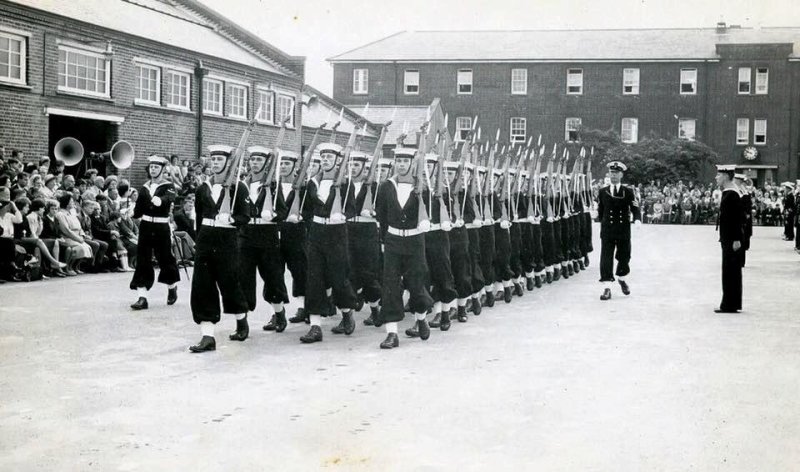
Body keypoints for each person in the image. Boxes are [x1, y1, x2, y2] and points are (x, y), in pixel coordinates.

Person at [189, 145, 251, 353]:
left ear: (227, 162)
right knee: (202, 286)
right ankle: (208, 336)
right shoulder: (203, 188)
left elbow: (246, 216)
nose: (215, 163)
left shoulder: (238, 187)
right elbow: (198, 217)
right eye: (212, 159)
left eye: (219, 159)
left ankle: (241, 320)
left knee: (229, 283)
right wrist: (198, 240)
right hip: (206, 239)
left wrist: (232, 219)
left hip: (227, 239)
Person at [298, 142, 359, 344]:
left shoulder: (346, 182)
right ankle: (315, 326)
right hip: (317, 234)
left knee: (338, 277)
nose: (325, 161)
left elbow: (352, 209)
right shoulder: (312, 183)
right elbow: (306, 209)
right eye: (323, 158)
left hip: (337, 233)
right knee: (314, 278)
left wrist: (341, 216)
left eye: (329, 158)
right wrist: (310, 223)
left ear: (337, 160)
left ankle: (347, 313)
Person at [374, 145, 434, 349]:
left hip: (415, 242)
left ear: (411, 164)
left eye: (405, 162)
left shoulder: (421, 187)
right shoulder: (386, 186)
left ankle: (421, 317)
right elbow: (381, 215)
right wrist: (383, 241)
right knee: (390, 286)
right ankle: (392, 333)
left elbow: (428, 213)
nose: (401, 165)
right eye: (398, 161)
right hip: (392, 241)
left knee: (416, 284)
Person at [239, 146, 290, 335]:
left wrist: (274, 216)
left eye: (259, 160)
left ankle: (279, 313)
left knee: (272, 277)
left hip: (267, 235)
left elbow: (283, 211)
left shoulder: (273, 186)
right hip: (245, 235)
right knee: (243, 278)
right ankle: (242, 324)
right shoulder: (241, 185)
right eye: (252, 160)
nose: (255, 163)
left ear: (266, 164)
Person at [129, 155, 180, 310]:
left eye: (156, 167)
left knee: (165, 259)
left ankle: (171, 287)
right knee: (143, 259)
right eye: (151, 167)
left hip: (161, 227)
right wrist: (131, 212)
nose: (153, 170)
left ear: (163, 169)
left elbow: (171, 196)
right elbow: (138, 210)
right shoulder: (144, 187)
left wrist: (162, 200)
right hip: (146, 226)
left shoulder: (168, 185)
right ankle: (142, 297)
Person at [597, 161, 641, 300]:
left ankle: (621, 279)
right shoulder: (602, 191)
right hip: (608, 230)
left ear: (621, 175)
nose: (613, 176)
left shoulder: (627, 191)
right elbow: (601, 210)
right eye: (611, 173)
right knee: (606, 258)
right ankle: (606, 287)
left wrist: (637, 219)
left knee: (624, 257)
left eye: (616, 173)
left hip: (623, 229)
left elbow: (635, 207)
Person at [715, 165, 744, 313]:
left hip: (731, 238)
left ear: (726, 176)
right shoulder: (729, 192)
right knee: (730, 270)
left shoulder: (731, 194)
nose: (716, 178)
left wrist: (737, 239)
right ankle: (731, 302)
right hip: (728, 237)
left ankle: (729, 304)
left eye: (719, 175)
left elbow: (736, 219)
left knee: (730, 270)